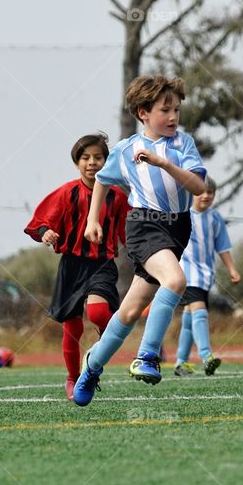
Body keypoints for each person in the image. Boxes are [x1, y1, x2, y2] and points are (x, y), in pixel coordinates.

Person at [73, 76, 207, 407]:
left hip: (177, 228)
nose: (173, 116)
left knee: (131, 310)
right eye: (165, 110)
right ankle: (147, 356)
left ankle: (90, 367)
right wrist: (92, 219)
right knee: (176, 280)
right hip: (144, 225)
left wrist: (163, 162)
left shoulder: (183, 145)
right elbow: (102, 181)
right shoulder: (126, 149)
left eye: (176, 109)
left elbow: (198, 187)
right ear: (143, 112)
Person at [25, 133, 129, 400]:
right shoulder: (66, 192)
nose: (92, 163)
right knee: (72, 328)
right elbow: (41, 222)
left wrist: (147, 257)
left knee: (98, 313)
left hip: (102, 264)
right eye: (86, 158)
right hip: (71, 266)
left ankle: (97, 356)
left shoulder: (116, 195)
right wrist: (46, 232)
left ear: (107, 162)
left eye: (98, 157)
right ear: (77, 162)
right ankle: (73, 378)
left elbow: (127, 232)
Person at [173, 176, 241, 377]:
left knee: (189, 319)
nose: (206, 196)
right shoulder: (183, 215)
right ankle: (207, 356)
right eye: (201, 191)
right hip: (186, 274)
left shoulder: (214, 218)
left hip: (205, 275)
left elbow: (223, 246)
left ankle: (180, 363)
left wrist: (232, 269)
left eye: (210, 192)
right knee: (199, 311)